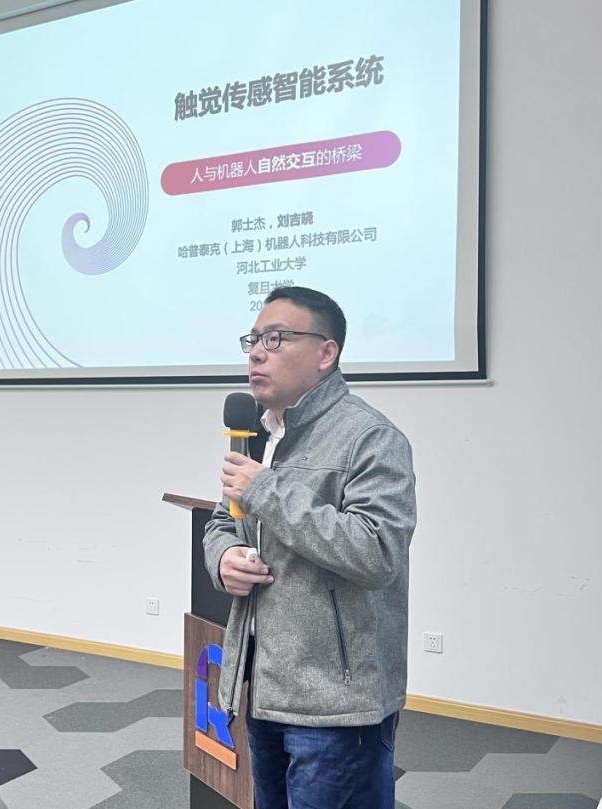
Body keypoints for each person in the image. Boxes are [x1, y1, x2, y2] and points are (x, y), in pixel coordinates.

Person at [203, 286, 417, 808]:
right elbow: (221, 523)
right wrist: (223, 559)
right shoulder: (259, 435)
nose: (257, 353)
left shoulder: (371, 438)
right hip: (265, 686)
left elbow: (377, 552)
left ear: (326, 353)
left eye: (276, 339)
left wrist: (265, 490)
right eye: (254, 339)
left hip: (337, 704)